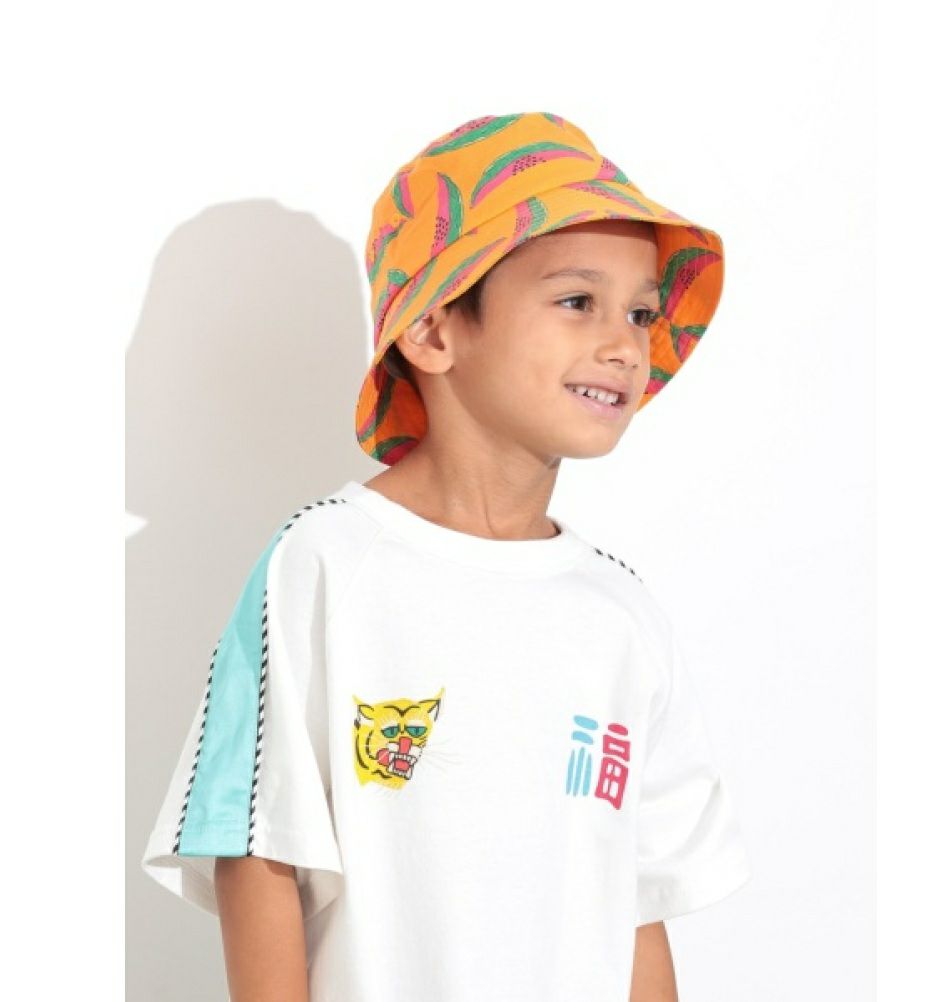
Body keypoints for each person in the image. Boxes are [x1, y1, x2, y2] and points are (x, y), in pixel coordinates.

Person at [140, 110, 752, 1002]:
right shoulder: (325, 563)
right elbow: (256, 848)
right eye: (577, 301)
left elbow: (634, 904)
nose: (625, 345)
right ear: (433, 330)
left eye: (641, 313)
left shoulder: (620, 613)